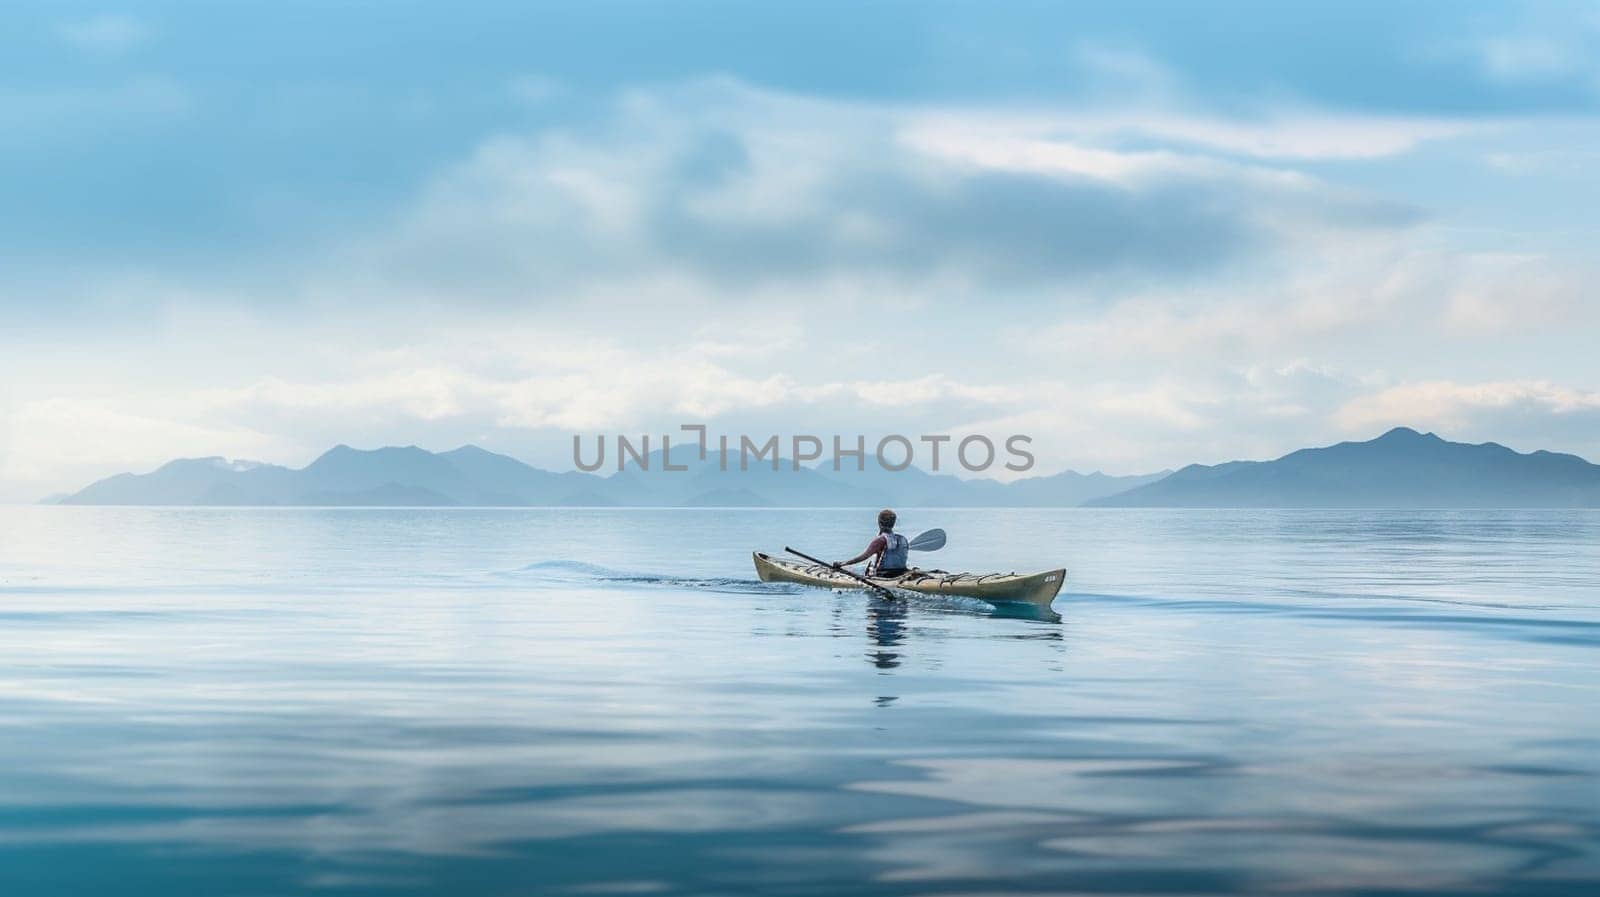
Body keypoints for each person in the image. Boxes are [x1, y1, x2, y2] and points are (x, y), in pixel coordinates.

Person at [835, 509, 910, 578]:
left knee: (853, 569)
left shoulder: (880, 540)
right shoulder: (903, 539)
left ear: (879, 523)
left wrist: (843, 563)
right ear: (893, 524)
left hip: (883, 575)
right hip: (901, 572)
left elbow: (863, 557)